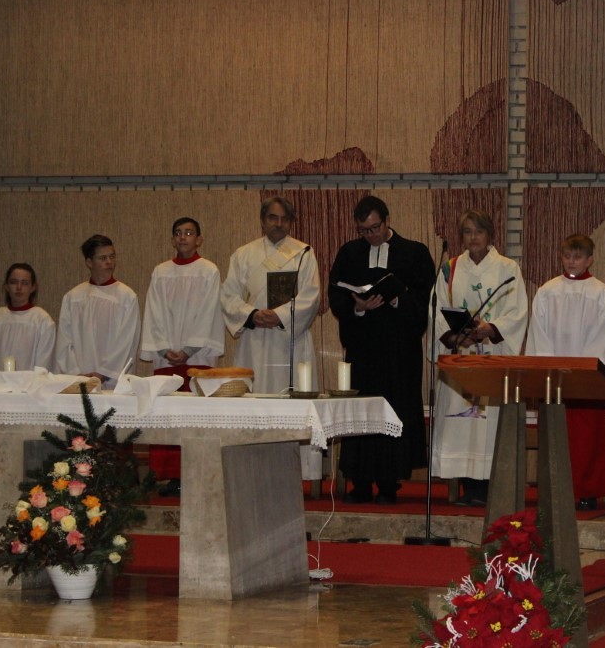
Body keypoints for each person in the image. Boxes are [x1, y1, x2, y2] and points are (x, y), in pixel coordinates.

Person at [328, 195, 435, 504]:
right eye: (363, 230)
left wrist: (396, 298)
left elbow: (426, 299)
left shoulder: (414, 252)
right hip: (363, 350)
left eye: (375, 228)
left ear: (387, 221)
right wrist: (357, 307)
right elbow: (337, 294)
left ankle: (389, 484)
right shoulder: (349, 253)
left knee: (394, 412)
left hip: (399, 351)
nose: (370, 235)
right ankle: (360, 483)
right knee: (361, 412)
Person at [429, 209, 528, 506]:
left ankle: (487, 488)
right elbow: (436, 310)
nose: (473, 238)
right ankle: (465, 486)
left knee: (487, 424)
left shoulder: (508, 268)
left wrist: (490, 329)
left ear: (490, 235)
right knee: (461, 425)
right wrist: (454, 336)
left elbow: (517, 311)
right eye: (468, 232)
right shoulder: (450, 269)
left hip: (491, 356)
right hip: (461, 357)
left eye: (479, 231)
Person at [526, 234, 605, 511]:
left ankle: (587, 492)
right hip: (554, 380)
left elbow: (603, 338)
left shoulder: (603, 294)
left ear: (590, 260)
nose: (571, 262)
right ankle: (555, 491)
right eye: (567, 256)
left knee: (587, 440)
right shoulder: (547, 291)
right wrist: (551, 367)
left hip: (588, 382)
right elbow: (539, 334)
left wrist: (580, 370)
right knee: (556, 438)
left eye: (578, 257)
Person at [140, 217, 225, 496]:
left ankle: (197, 473)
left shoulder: (208, 270)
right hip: (167, 359)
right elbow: (153, 312)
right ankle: (166, 475)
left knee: (194, 417)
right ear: (172, 239)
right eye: (178, 233)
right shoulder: (161, 272)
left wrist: (188, 350)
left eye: (189, 233)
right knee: (167, 417)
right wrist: (164, 349)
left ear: (199, 239)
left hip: (197, 359)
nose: (183, 237)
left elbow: (209, 312)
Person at [220, 196, 320, 394]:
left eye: (284, 219)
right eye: (273, 218)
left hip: (289, 339)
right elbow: (228, 296)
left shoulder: (304, 253)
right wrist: (252, 315)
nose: (279, 224)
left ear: (291, 223)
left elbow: (311, 296)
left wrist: (280, 315)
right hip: (254, 337)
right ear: (262, 220)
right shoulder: (243, 254)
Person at [56, 235, 140, 390]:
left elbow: (127, 341)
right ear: (89, 262)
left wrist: (103, 373)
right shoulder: (73, 297)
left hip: (113, 382)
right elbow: (64, 340)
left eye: (112, 257)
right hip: (79, 380)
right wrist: (77, 374)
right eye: (103, 258)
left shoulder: (126, 297)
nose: (109, 262)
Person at [0, 263, 56, 372]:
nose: (19, 287)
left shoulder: (43, 320)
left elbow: (43, 364)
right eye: (13, 282)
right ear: (6, 286)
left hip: (31, 382)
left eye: (25, 283)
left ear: (33, 287)